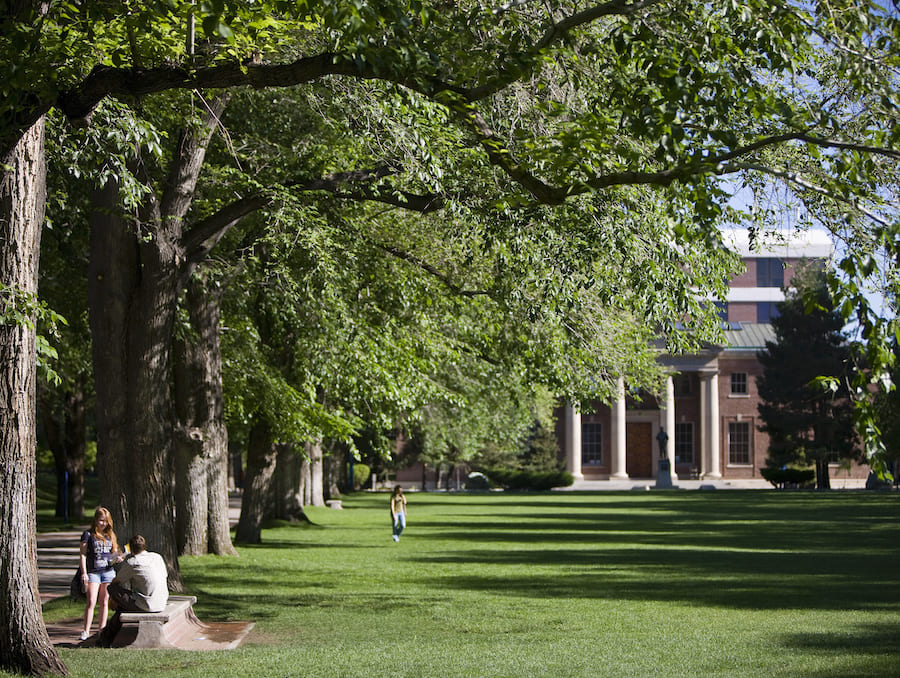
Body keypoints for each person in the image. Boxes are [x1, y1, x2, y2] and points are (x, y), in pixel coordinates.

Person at [98, 534, 169, 646]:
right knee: (122, 608)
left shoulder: (133, 562)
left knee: (112, 588)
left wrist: (112, 600)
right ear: (144, 546)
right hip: (162, 601)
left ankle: (105, 639)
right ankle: (105, 639)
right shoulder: (157, 557)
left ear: (130, 549)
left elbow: (116, 582)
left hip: (146, 604)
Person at [79, 507, 123, 641]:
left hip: (108, 572)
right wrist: (84, 573)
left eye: (105, 521)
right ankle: (86, 630)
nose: (103, 524)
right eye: (101, 521)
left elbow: (113, 554)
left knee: (104, 601)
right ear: (96, 520)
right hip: (93, 572)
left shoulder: (110, 535)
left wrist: (118, 558)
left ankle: (101, 630)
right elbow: (83, 554)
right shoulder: (88, 535)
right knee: (91, 601)